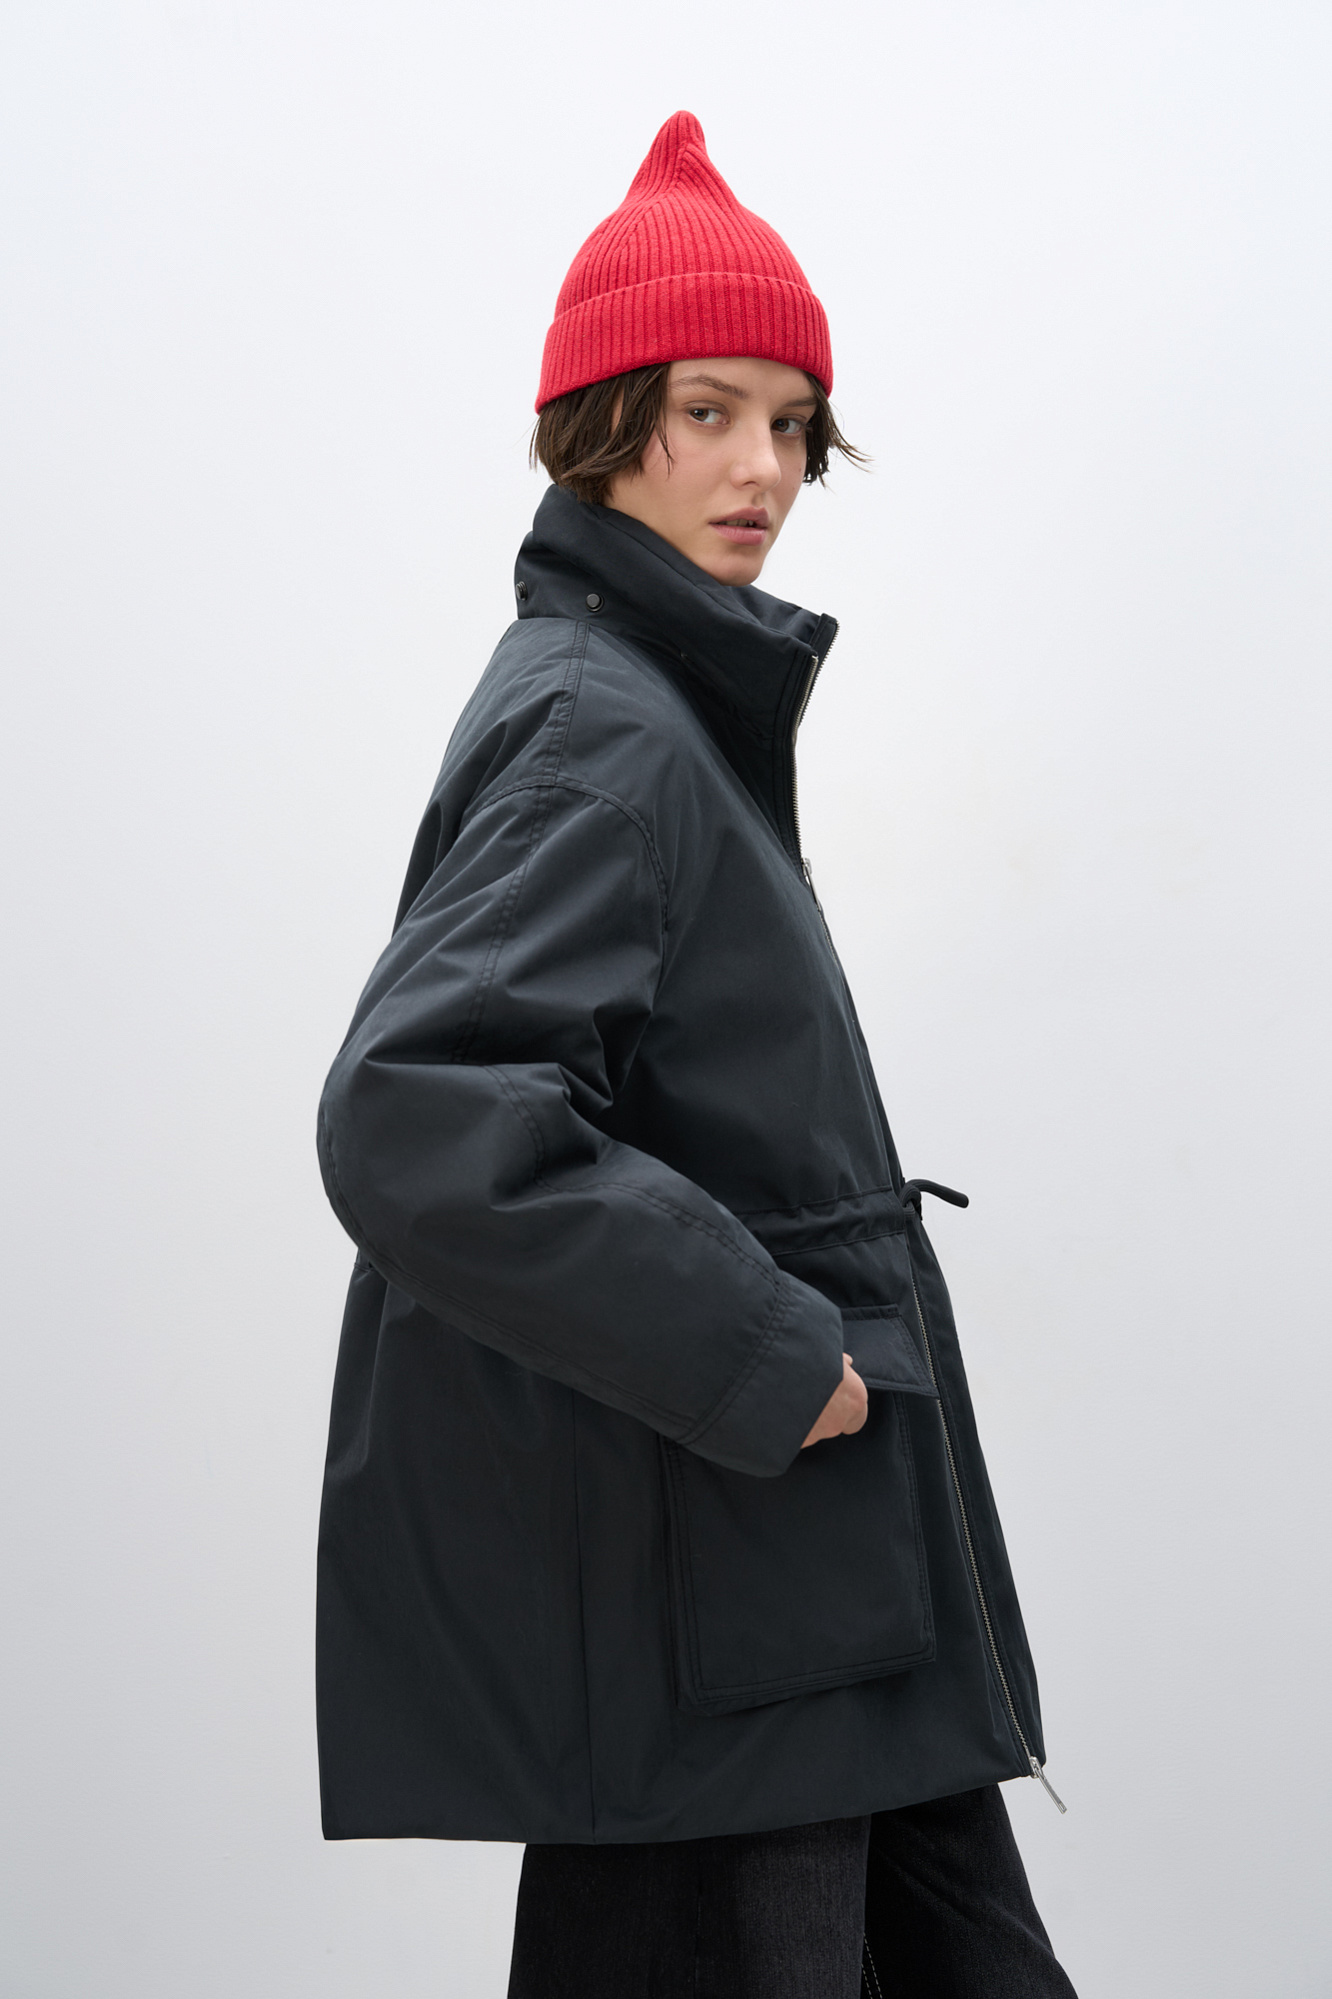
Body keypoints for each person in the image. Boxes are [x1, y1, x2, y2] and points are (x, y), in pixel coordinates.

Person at [315, 110, 1077, 1998]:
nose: (764, 469)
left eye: (794, 423)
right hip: (735, 1615)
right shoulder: (606, 732)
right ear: (601, 426)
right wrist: (770, 1352)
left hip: (789, 1607)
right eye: (708, 411)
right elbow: (420, 1115)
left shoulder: (662, 704)